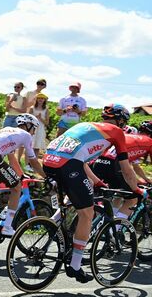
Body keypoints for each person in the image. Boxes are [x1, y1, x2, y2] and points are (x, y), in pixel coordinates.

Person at [43, 104, 143, 283]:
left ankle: (53, 225)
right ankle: (75, 266)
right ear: (121, 121)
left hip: (49, 161)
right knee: (87, 213)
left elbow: (82, 161)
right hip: (68, 166)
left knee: (76, 196)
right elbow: (126, 169)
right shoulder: (117, 132)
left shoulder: (86, 126)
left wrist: (97, 182)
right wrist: (136, 190)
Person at [0, 114, 47, 236]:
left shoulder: (8, 132)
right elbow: (33, 161)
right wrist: (46, 176)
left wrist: (21, 175)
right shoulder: (26, 135)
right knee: (17, 188)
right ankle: (7, 226)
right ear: (28, 125)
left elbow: (12, 160)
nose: (34, 133)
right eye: (34, 128)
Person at [89, 120, 152, 226]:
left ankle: (106, 223)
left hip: (99, 162)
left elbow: (132, 167)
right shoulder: (148, 142)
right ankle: (113, 230)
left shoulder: (130, 137)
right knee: (132, 199)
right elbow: (130, 168)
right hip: (114, 165)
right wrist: (142, 182)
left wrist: (143, 180)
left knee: (118, 194)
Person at [28, 92, 50, 166]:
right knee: (30, 145)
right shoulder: (32, 108)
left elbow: (47, 122)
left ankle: (34, 163)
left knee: (37, 147)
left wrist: (40, 118)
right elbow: (27, 119)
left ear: (44, 100)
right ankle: (28, 163)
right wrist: (35, 118)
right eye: (39, 98)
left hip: (40, 129)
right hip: (32, 128)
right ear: (36, 99)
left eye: (42, 98)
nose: (40, 100)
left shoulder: (46, 109)